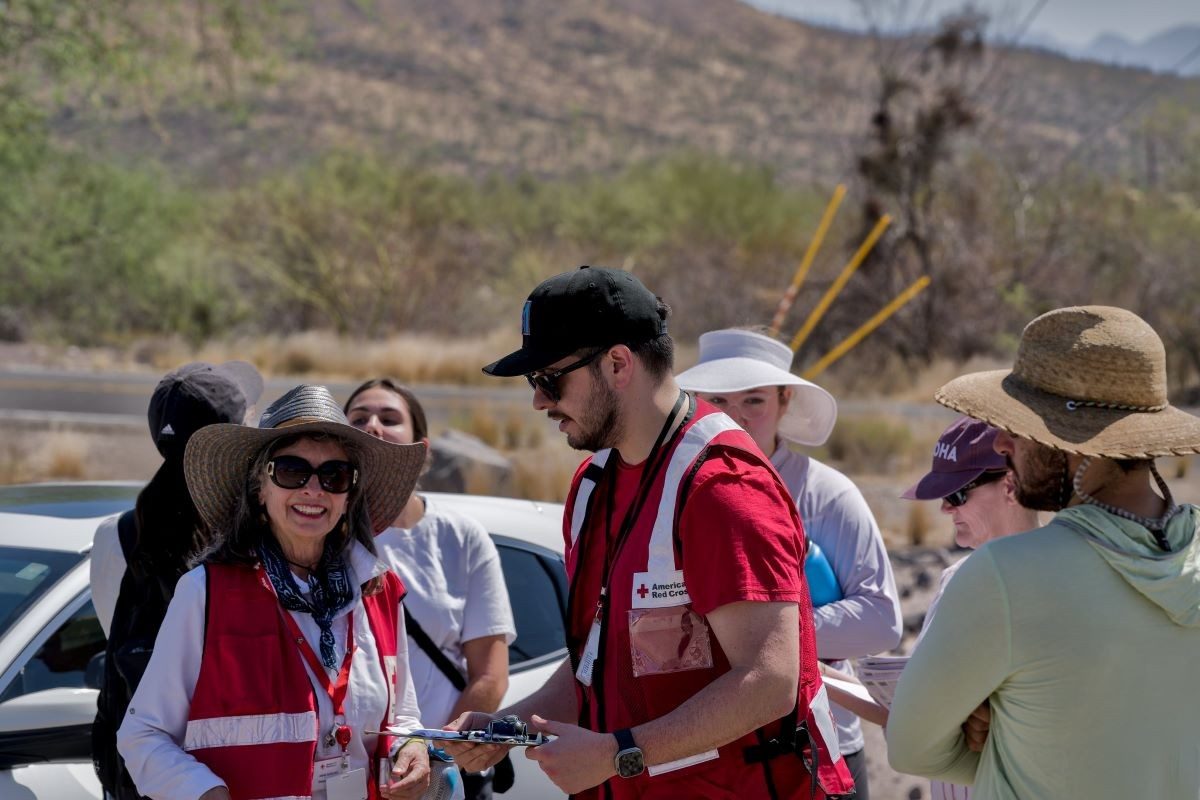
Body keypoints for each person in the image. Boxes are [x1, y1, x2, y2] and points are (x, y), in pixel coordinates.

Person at [446, 266, 856, 799]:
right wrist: (510, 724)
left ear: (618, 364)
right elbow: (599, 662)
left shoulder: (722, 488)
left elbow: (769, 683)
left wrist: (617, 754)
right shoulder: (594, 485)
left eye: (549, 380)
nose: (539, 402)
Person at [887, 306, 1200, 798]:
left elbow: (910, 748)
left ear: (1075, 446)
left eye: (1023, 427)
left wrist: (1007, 738)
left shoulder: (1006, 576)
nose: (1002, 442)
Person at [117, 384, 432, 800]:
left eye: (333, 476)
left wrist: (414, 748)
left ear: (348, 496)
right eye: (291, 471)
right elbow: (143, 735)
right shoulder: (206, 592)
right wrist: (206, 794)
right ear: (259, 490)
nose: (313, 490)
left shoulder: (379, 590)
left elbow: (403, 716)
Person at [676, 327, 902, 799]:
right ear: (696, 400)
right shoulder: (675, 494)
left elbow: (882, 619)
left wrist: (764, 636)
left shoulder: (827, 495)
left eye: (753, 401)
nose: (734, 416)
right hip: (710, 747)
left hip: (820, 746)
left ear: (784, 402)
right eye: (718, 399)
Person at [91, 360, 263, 800]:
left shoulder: (120, 534)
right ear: (234, 438)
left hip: (154, 772)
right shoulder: (259, 536)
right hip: (237, 768)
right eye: (250, 416)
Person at [345, 378, 517, 799]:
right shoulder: (320, 535)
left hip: (440, 776)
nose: (372, 426)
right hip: (347, 775)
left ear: (421, 450)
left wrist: (432, 760)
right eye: (358, 418)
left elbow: (490, 676)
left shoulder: (461, 538)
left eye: (389, 418)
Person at [898, 417, 1038, 800]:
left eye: (958, 493)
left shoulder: (1058, 584)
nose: (944, 508)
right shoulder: (953, 579)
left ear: (1009, 485)